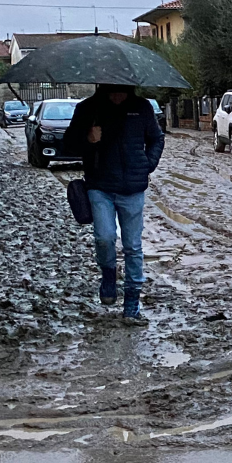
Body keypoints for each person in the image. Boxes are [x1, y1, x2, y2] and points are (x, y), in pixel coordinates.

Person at [64, 84, 164, 324]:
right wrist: (88, 139)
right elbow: (68, 145)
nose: (118, 95)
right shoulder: (88, 108)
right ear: (104, 88)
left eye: (123, 90)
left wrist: (146, 165)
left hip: (133, 188)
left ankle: (132, 303)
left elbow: (156, 139)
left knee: (132, 246)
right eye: (113, 91)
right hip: (100, 186)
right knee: (104, 237)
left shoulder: (142, 108)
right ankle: (108, 274)